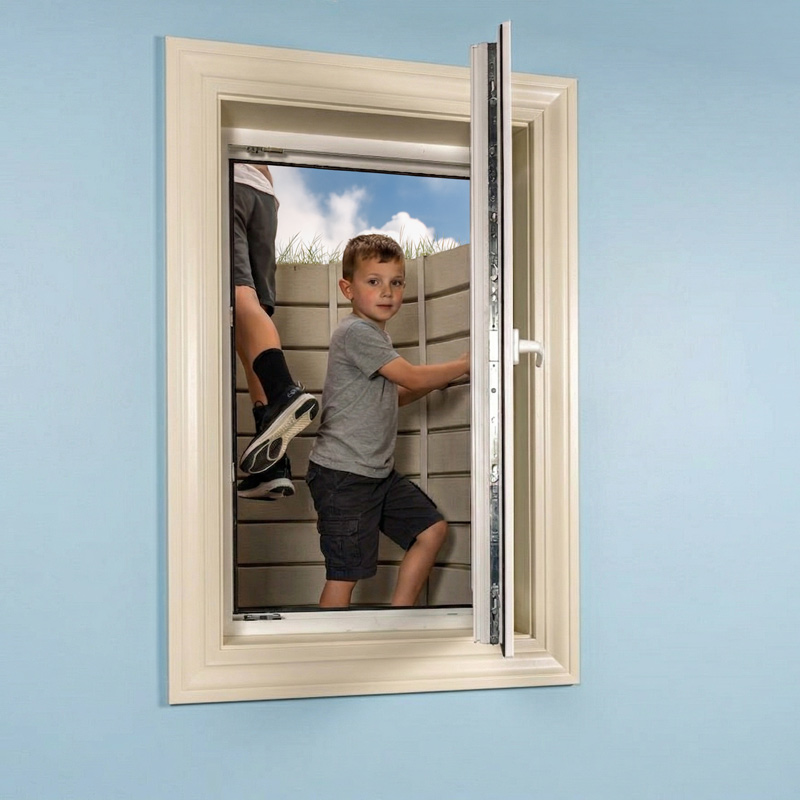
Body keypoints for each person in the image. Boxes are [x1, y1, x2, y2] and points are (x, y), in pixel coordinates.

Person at [306, 234, 469, 608]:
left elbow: (395, 394)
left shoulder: (376, 336)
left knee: (431, 530)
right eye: (374, 281)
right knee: (345, 574)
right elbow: (409, 377)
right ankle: (328, 656)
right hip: (343, 475)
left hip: (376, 474)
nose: (387, 292)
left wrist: (442, 379)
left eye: (396, 282)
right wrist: (463, 363)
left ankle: (399, 617)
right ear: (347, 288)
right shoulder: (356, 332)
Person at [232, 163, 319, 499]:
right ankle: (272, 465)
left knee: (237, 294)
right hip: (264, 195)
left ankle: (284, 391)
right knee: (251, 320)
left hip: (231, 186)